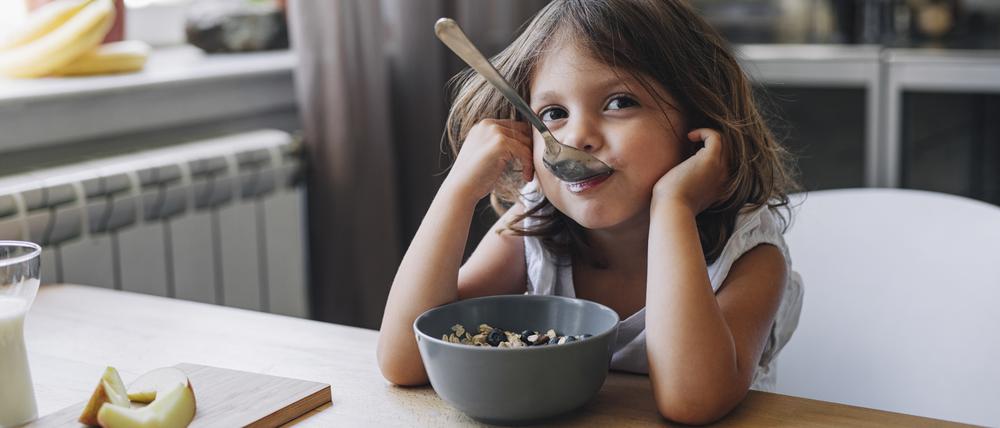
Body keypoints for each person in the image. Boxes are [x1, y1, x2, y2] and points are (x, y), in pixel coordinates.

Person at [376, 0, 803, 423]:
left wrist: (673, 207)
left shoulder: (749, 256)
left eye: (619, 102)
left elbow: (692, 402)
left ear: (700, 117)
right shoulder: (536, 230)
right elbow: (406, 360)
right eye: (553, 114)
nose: (578, 135)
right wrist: (457, 191)